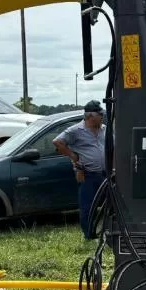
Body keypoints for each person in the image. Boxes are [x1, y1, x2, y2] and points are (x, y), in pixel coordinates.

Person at [54, 100, 107, 239]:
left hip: (105, 174)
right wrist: (72, 155)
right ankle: (89, 235)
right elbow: (57, 142)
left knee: (110, 205)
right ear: (90, 116)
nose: (102, 116)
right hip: (87, 174)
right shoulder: (75, 131)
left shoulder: (104, 129)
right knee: (88, 207)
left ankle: (109, 232)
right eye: (100, 114)